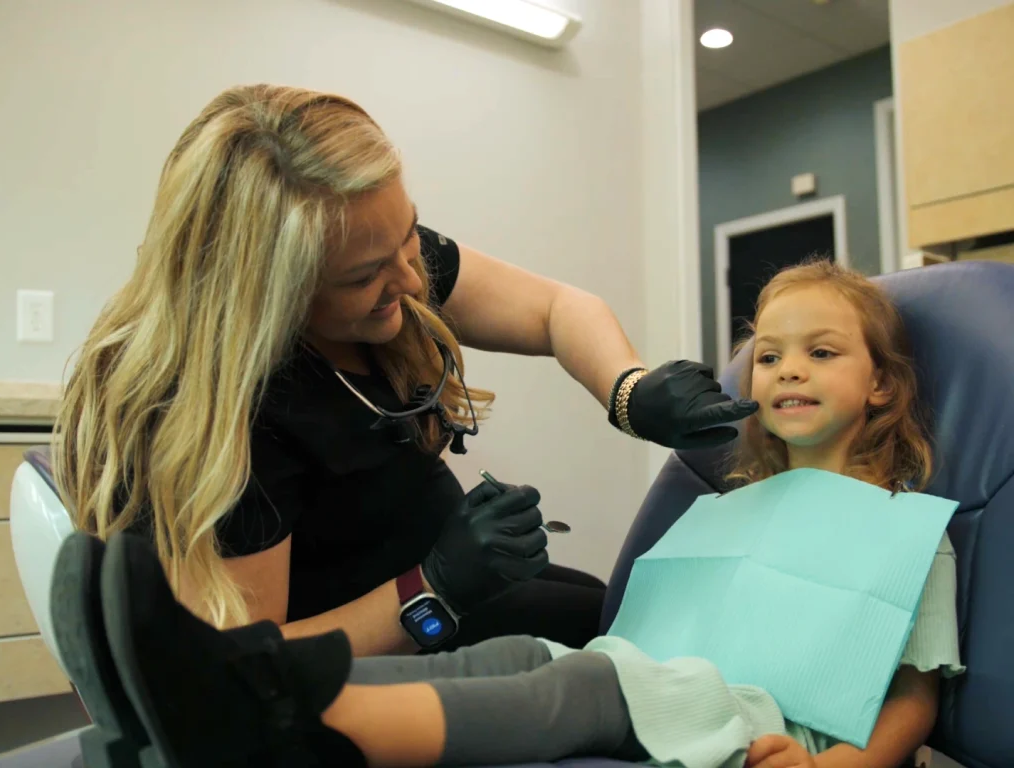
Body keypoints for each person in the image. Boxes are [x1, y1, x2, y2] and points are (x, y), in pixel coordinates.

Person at [53, 260, 962, 768]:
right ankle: (236, 681)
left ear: (882, 386)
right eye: (768, 355)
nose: (788, 368)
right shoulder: (731, 505)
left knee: (572, 689)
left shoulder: (903, 530)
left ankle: (266, 727)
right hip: (662, 682)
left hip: (748, 720)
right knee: (516, 655)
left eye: (821, 353)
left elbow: (914, 697)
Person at [52, 82, 756, 660]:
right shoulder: (228, 418)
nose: (414, 281)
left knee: (621, 613)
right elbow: (238, 666)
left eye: (409, 235)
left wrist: (628, 389)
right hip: (357, 672)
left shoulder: (386, 254)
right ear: (269, 293)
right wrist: (432, 591)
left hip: (455, 598)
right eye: (365, 276)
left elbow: (554, 310)